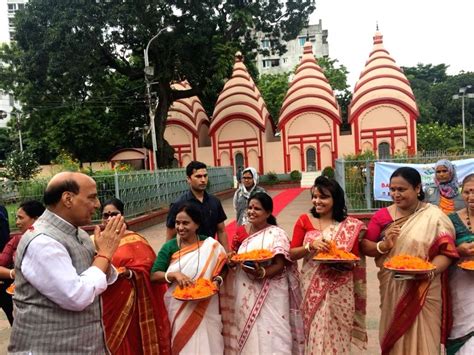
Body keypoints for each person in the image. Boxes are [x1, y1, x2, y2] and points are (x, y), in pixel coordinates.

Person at [8, 172, 125, 354]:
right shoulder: (42, 241)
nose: (97, 204)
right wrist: (105, 254)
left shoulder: (80, 234)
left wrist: (104, 258)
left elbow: (99, 275)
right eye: (92, 197)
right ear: (68, 199)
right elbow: (76, 296)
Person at [361, 167, 458, 355]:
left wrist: (427, 272)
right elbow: (366, 246)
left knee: (426, 340)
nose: (396, 194)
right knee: (395, 337)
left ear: (417, 188)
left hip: (426, 288)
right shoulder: (383, 216)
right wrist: (384, 245)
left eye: (402, 189)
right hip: (394, 287)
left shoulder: (434, 216)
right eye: (392, 189)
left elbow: (447, 252)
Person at [289, 176, 367, 354]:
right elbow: (291, 254)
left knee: (337, 339)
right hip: (312, 288)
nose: (317, 201)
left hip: (340, 289)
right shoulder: (304, 221)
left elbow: (353, 258)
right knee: (315, 336)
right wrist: (310, 246)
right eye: (314, 196)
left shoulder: (350, 225)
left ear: (335, 199)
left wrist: (340, 262)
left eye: (323, 197)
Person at [223, 192, 304, 355]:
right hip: (245, 288)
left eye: (257, 209)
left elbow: (280, 265)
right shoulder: (242, 232)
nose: (251, 211)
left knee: (275, 331)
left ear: (268, 213)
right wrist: (231, 260)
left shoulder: (277, 234)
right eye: (250, 208)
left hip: (272, 292)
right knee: (248, 331)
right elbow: (235, 254)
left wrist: (261, 272)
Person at [151, 203, 227, 355]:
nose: (180, 227)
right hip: (179, 307)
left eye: (185, 223)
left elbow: (223, 266)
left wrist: (217, 281)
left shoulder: (209, 244)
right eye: (177, 223)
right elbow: (154, 275)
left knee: (210, 342)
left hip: (207, 305)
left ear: (197, 224)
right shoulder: (170, 247)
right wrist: (173, 275)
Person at [100, 197, 171, 355]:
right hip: (106, 304)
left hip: (133, 306)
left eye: (114, 214)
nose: (110, 218)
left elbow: (149, 268)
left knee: (131, 343)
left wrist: (130, 272)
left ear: (123, 216)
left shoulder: (136, 240)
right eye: (106, 215)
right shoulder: (95, 241)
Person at [166, 160, 228, 250]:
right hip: (188, 255)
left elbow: (221, 231)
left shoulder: (215, 202)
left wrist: (227, 254)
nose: (203, 180)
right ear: (188, 179)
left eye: (205, 176)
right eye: (198, 176)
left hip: (211, 253)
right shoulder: (179, 204)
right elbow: (170, 237)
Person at [0, 200, 45, 325]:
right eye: (16, 218)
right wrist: (13, 273)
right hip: (20, 296)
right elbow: (2, 262)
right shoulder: (16, 240)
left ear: (36, 219)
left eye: (20, 218)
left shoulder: (52, 241)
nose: (16, 222)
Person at [447, 173, 474, 355]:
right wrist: (459, 251)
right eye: (467, 192)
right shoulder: (451, 220)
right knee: (462, 332)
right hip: (461, 285)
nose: (471, 197)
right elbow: (441, 250)